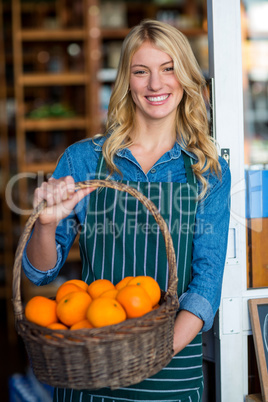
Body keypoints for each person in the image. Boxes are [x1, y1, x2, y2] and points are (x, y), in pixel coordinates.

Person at [22, 19, 231, 402]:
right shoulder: (84, 160)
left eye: (168, 69)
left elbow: (205, 288)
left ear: (184, 77)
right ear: (126, 81)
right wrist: (46, 226)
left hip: (170, 372)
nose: (156, 84)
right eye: (141, 71)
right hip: (93, 367)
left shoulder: (207, 172)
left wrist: (148, 355)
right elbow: (39, 272)